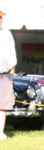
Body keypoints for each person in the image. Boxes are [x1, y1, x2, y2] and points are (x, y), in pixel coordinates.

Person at [0, 9, 18, 140]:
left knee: (3, 104)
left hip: (4, 73)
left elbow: (12, 52)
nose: (1, 20)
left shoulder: (6, 33)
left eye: (1, 18)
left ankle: (0, 132)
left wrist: (13, 70)